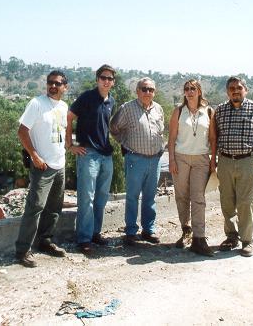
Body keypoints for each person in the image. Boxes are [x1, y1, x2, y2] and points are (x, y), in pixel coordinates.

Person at [209, 76, 253, 257]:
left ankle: (247, 240)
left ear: (246, 89)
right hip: (226, 161)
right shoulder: (220, 110)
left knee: (245, 202)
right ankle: (231, 237)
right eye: (231, 88)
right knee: (227, 202)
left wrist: (252, 150)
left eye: (239, 87)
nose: (235, 90)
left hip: (247, 162)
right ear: (227, 91)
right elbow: (215, 136)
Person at [15, 70, 69, 268]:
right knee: (35, 207)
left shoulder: (63, 106)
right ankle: (22, 250)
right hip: (42, 166)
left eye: (57, 83)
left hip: (59, 165)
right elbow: (22, 131)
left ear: (65, 87)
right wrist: (34, 156)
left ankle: (45, 241)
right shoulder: (36, 103)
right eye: (50, 83)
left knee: (54, 208)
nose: (53, 86)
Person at [66, 64, 116, 254]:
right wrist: (70, 145)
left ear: (113, 82)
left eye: (110, 78)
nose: (106, 81)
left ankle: (95, 232)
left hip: (106, 154)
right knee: (86, 197)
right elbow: (69, 118)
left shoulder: (111, 101)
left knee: (101, 198)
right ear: (97, 79)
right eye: (103, 77)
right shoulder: (87, 97)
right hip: (88, 153)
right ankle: (84, 238)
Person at [110, 77, 164, 246]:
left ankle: (148, 230)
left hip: (154, 160)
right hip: (135, 159)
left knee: (150, 197)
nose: (148, 92)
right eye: (144, 89)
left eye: (151, 90)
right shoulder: (127, 108)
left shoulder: (159, 109)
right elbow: (114, 127)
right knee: (132, 196)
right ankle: (131, 232)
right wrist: (124, 144)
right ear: (137, 91)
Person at [168, 79, 215, 256]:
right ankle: (186, 229)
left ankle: (199, 238)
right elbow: (171, 138)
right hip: (181, 158)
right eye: (186, 89)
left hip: (201, 159)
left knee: (198, 198)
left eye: (193, 89)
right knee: (182, 195)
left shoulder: (209, 112)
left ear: (199, 91)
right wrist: (171, 159)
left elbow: (212, 139)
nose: (189, 91)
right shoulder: (178, 112)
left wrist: (212, 160)